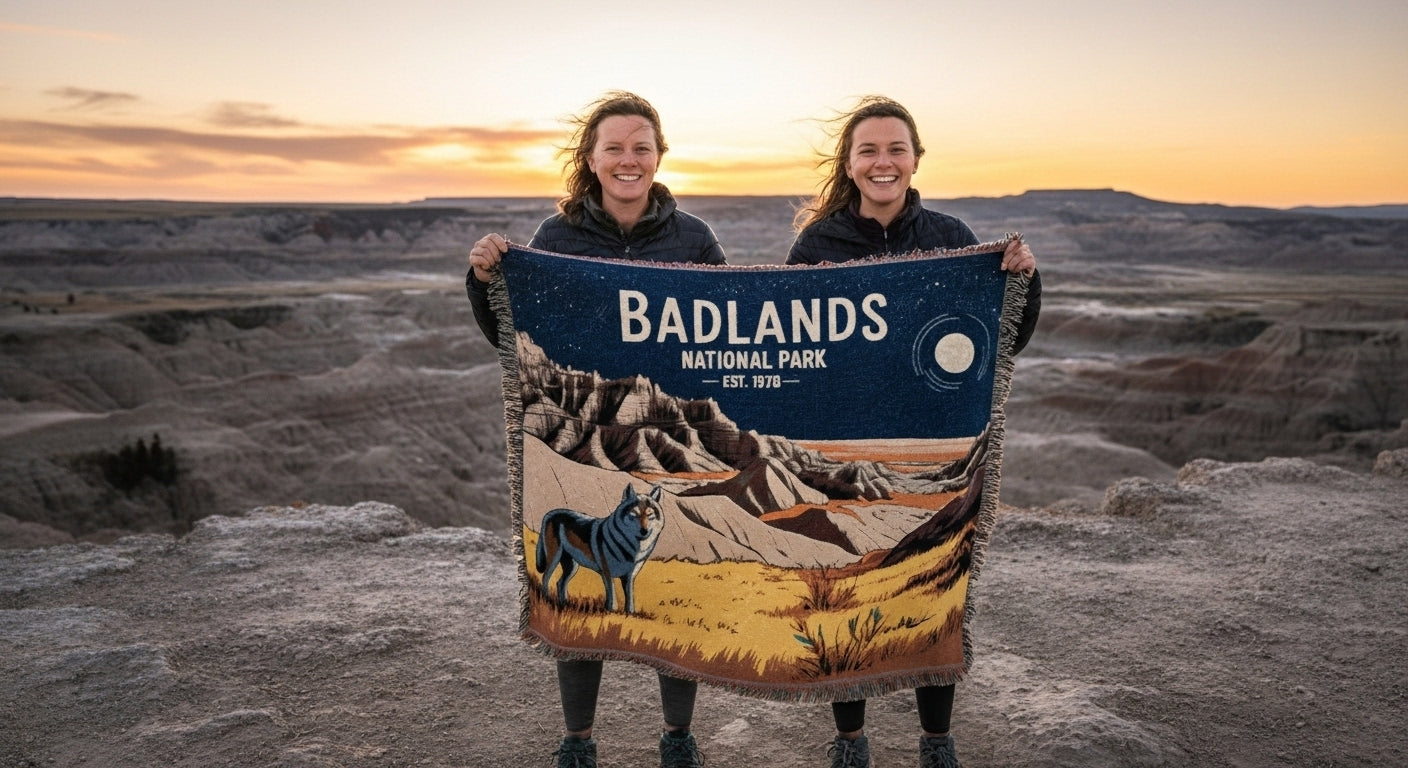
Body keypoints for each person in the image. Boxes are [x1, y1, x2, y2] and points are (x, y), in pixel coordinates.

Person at [465, 91, 724, 768]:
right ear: (591, 157)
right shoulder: (558, 240)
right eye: (614, 147)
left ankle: (677, 735)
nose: (628, 159)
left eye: (642, 147)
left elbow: (726, 330)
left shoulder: (692, 239)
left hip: (664, 437)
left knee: (671, 596)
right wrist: (484, 279)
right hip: (578, 438)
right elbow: (516, 337)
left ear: (659, 156)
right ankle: (578, 739)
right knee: (580, 593)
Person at [788, 96, 1042, 768]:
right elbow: (793, 345)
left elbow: (1002, 337)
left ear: (915, 159)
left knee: (935, 587)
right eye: (869, 150)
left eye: (895, 149)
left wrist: (1025, 280)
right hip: (846, 447)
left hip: (935, 448)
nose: (883, 162)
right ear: (849, 163)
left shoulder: (951, 237)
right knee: (845, 591)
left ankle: (936, 740)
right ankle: (850, 741)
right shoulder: (818, 246)